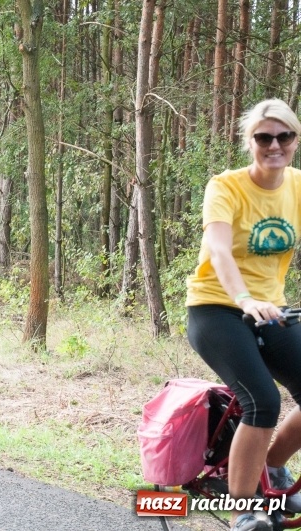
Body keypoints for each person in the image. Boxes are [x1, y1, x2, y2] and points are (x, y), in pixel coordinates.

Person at [186, 99, 301, 531]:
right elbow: (218, 250)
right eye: (264, 137)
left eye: (283, 136)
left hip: (273, 308)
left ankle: (270, 468)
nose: (274, 145)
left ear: (295, 140)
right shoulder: (226, 186)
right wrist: (244, 298)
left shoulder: (298, 187)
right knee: (262, 400)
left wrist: (261, 302)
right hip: (216, 306)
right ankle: (245, 509)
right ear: (249, 142)